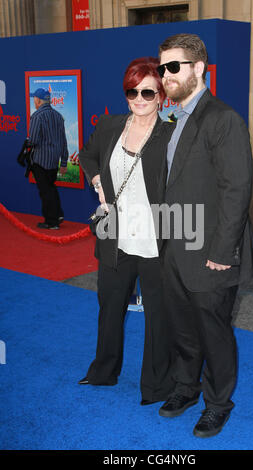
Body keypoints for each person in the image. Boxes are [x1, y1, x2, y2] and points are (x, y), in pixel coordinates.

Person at [157, 34, 253, 437]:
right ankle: (186, 387)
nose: (166, 75)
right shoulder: (173, 117)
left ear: (199, 68)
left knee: (213, 332)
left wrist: (222, 251)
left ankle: (218, 403)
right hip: (174, 244)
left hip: (211, 250)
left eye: (174, 67)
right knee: (181, 327)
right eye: (162, 68)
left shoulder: (222, 118)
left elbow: (237, 189)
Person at [78, 57, 174, 405]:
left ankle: (156, 386)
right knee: (110, 306)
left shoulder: (171, 134)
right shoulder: (109, 126)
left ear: (162, 95)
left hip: (156, 238)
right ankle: (103, 371)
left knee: (159, 316)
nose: (139, 98)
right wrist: (97, 177)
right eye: (132, 91)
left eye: (148, 92)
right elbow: (87, 156)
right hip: (114, 235)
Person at [28, 88, 68, 229]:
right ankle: (58, 214)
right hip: (53, 161)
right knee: (50, 188)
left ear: (38, 100)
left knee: (45, 191)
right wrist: (64, 162)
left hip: (40, 160)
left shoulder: (36, 116)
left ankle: (51, 222)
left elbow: (33, 140)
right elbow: (63, 141)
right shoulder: (58, 116)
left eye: (34, 99)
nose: (33, 101)